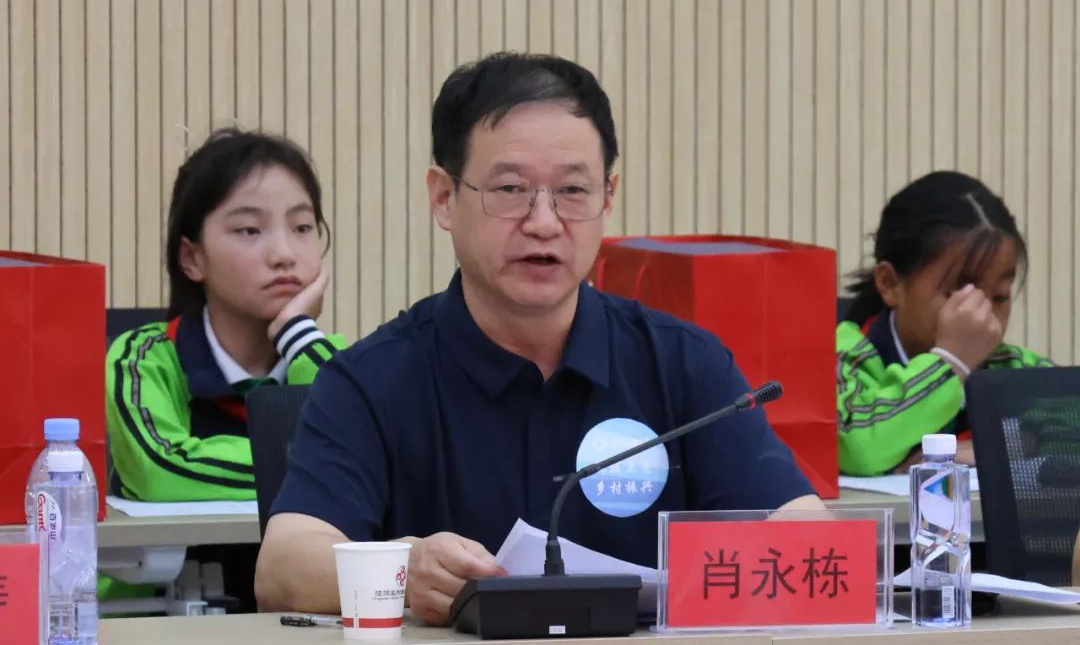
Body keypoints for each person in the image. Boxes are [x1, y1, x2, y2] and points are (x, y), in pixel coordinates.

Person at [255, 52, 823, 624]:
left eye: (573, 190)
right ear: (444, 197)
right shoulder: (371, 380)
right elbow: (282, 567)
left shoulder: (683, 363)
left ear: (608, 196)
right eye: (510, 188)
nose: (545, 222)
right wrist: (403, 569)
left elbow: (805, 537)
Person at [105, 128, 344, 502]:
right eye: (249, 230)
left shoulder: (333, 360)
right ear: (192, 258)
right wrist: (316, 467)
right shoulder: (142, 360)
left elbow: (371, 459)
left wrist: (298, 335)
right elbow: (160, 472)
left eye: (302, 227)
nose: (284, 254)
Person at [836, 171, 1052, 477]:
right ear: (889, 283)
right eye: (959, 294)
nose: (981, 315)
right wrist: (952, 360)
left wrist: (992, 447)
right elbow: (858, 448)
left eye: (1000, 296)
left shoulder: (1009, 365)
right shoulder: (841, 354)